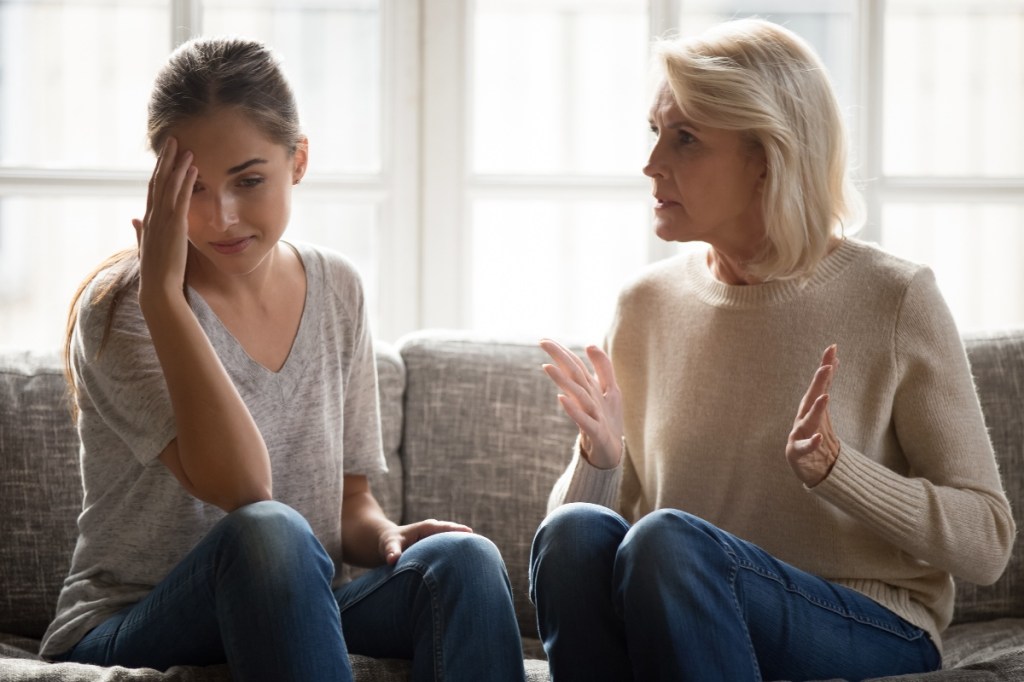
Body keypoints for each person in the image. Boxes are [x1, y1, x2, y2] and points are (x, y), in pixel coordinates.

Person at [530, 18, 1015, 682]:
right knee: (572, 534)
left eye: (686, 139)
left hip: (868, 623)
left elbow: (987, 542)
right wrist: (601, 462)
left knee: (667, 542)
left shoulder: (895, 298)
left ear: (768, 156)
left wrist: (841, 471)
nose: (651, 164)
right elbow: (568, 566)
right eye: (655, 133)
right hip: (682, 605)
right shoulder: (644, 305)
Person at [40, 37, 526, 682]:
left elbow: (350, 498)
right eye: (196, 190)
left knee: (463, 560)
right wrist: (165, 297)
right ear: (161, 185)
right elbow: (245, 492)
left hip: (293, 606)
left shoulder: (338, 288)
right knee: (268, 530)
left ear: (297, 159)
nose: (223, 217)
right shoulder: (123, 308)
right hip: (131, 624)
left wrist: (383, 534)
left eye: (249, 180)